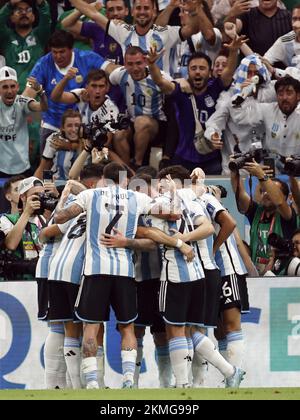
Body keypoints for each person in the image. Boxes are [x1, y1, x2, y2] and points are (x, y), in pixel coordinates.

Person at [53, 162, 182, 389]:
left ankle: (92, 383)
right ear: (123, 180)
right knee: (127, 327)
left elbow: (61, 218)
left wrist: (63, 198)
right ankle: (128, 379)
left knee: (91, 326)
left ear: (104, 177)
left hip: (96, 271)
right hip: (124, 272)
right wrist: (171, 191)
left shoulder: (90, 195)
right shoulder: (136, 198)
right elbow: (171, 211)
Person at [40, 164, 105, 389]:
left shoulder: (74, 211)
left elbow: (44, 233)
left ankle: (71, 386)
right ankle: (85, 386)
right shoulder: (100, 210)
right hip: (77, 272)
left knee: (67, 327)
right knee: (91, 327)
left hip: (56, 268)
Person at [147, 35, 246, 174]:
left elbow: (229, 72)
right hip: (183, 158)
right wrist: (151, 65)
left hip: (212, 159)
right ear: (188, 72)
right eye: (193, 68)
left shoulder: (215, 87)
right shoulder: (180, 91)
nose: (198, 71)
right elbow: (161, 82)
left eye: (202, 68)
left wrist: (234, 51)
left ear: (210, 72)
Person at [22, 29, 107, 152]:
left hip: (81, 126)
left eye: (62, 52)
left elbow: (111, 70)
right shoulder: (43, 64)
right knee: (47, 166)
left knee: (83, 166)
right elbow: (28, 93)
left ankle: (125, 171)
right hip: (52, 124)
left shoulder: (87, 58)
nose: (58, 56)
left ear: (71, 49)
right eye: (54, 52)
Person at [230, 159, 298, 275]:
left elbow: (280, 202)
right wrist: (234, 171)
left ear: (285, 196)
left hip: (281, 276)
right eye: (263, 191)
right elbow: (240, 194)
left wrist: (261, 175)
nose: (266, 194)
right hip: (257, 275)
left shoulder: (287, 214)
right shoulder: (256, 211)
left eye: (270, 192)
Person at [229, 76, 300, 171]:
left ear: (298, 95)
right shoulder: (268, 109)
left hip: (297, 167)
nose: (284, 98)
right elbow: (240, 117)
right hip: (272, 166)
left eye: (289, 93)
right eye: (280, 93)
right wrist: (243, 95)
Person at [0, 176, 56, 280]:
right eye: (35, 195)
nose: (40, 198)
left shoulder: (44, 219)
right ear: (23, 197)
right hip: (18, 280)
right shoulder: (6, 219)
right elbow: (10, 245)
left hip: (43, 276)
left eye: (42, 195)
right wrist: (27, 212)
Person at [0, 66, 47, 178]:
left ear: (17, 87)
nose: (9, 91)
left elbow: (43, 107)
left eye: (12, 86)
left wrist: (40, 92)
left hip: (22, 169)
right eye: (5, 87)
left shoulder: (22, 102)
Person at [0, 0, 51, 92]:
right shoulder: (6, 37)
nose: (24, 13)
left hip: (35, 93)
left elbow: (46, 17)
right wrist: (10, 4)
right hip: (11, 93)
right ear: (11, 18)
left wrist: (41, 3)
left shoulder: (40, 35)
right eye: (19, 10)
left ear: (34, 17)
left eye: (28, 10)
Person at [61, 0, 127, 64]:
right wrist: (85, 9)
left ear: (126, 11)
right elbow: (67, 24)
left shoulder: (132, 32)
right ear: (106, 13)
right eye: (111, 10)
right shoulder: (97, 28)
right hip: (98, 73)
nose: (115, 13)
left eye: (119, 9)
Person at [225, 0, 292, 57]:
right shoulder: (247, 15)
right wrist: (232, 15)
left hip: (283, 70)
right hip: (252, 69)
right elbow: (230, 29)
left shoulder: (289, 17)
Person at [34, 109, 82, 181]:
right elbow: (43, 167)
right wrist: (34, 185)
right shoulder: (55, 139)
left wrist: (70, 146)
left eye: (77, 125)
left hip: (83, 184)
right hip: (59, 184)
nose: (74, 129)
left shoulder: (88, 138)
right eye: (69, 126)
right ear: (62, 128)